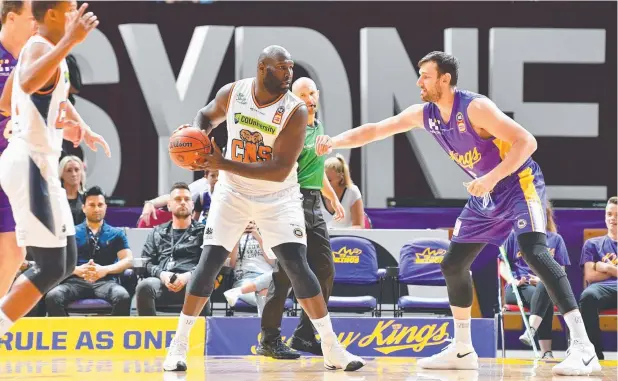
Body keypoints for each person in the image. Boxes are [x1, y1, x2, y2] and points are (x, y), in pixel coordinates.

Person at [315, 51, 600, 376]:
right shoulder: (426, 114)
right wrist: (335, 141)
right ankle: (463, 349)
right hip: (486, 192)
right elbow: (378, 129)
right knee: (453, 264)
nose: (419, 82)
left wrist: (490, 178)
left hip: (519, 183)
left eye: (425, 75)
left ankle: (583, 347)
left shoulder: (475, 107)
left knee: (534, 254)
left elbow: (526, 141)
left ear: (445, 79)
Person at [162, 45, 364, 373]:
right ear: (262, 69)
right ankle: (178, 346)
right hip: (232, 193)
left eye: (291, 70)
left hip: (277, 194)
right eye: (282, 69)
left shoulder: (295, 110)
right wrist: (197, 138)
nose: (288, 75)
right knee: (209, 261)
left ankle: (331, 347)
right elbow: (206, 115)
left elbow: (281, 169)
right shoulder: (234, 93)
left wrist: (222, 162)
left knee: (297, 266)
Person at [0, 0, 109, 338]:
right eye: (70, 10)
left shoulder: (44, 50)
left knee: (64, 262)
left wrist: (75, 123)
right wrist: (70, 41)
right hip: (30, 163)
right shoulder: (39, 47)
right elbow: (30, 83)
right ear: (51, 15)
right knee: (48, 266)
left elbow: (7, 102)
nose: (76, 16)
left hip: (43, 162)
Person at [256, 77, 344, 359]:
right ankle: (269, 339)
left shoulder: (317, 126)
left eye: (312, 92)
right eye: (302, 94)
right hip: (290, 201)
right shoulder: (289, 128)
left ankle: (304, 335)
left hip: (314, 204)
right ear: (293, 99)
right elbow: (279, 169)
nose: (309, 98)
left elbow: (315, 171)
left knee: (325, 270)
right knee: (284, 275)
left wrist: (330, 196)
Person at [45, 186, 132, 316]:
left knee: (122, 296)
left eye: (100, 205)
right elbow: (56, 260)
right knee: (53, 296)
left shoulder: (117, 233)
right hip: (75, 282)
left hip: (105, 282)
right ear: (84, 208)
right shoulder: (71, 232)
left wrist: (105, 270)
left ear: (105, 207)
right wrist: (75, 270)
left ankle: (113, 334)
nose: (96, 209)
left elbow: (128, 260)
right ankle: (67, 335)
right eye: (92, 205)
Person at [499, 202, 570, 359]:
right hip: (518, 287)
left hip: (543, 286)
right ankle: (546, 351)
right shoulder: (514, 236)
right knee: (548, 294)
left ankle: (531, 329)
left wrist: (539, 279)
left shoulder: (556, 240)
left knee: (546, 286)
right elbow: (502, 266)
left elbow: (561, 272)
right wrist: (512, 280)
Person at [0, 0, 37, 300]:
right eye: (30, 17)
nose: (36, 23)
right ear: (11, 18)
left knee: (14, 248)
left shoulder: (34, 56)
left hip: (10, 169)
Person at [136, 182, 213, 316]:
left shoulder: (204, 232)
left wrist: (187, 277)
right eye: (178, 199)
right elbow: (146, 262)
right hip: (162, 281)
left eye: (187, 199)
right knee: (144, 286)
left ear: (193, 205)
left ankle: (201, 335)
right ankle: (150, 333)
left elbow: (208, 263)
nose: (183, 202)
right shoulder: (157, 232)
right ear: (169, 205)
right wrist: (162, 274)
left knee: (200, 285)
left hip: (191, 282)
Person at [579, 196, 617, 360]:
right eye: (609, 214)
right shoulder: (592, 244)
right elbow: (590, 276)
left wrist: (607, 267)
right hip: (603, 290)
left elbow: (598, 272)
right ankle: (594, 353)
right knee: (587, 296)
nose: (612, 219)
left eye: (617, 215)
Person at [223, 221, 275, 316]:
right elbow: (231, 264)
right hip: (245, 279)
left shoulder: (268, 234)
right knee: (264, 292)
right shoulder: (232, 236)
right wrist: (237, 238)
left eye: (252, 221)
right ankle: (266, 327)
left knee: (277, 275)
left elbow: (273, 263)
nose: (249, 224)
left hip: (267, 277)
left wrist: (259, 237)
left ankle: (237, 292)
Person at [321, 154, 365, 229]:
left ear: (341, 177)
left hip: (346, 238)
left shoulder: (352, 191)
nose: (324, 184)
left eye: (329, 180)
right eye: (321, 180)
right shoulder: (314, 191)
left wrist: (338, 232)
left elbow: (359, 226)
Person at [59, 155, 86, 224]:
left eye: (76, 170)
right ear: (61, 174)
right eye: (69, 170)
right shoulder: (55, 197)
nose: (74, 174)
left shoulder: (87, 197)